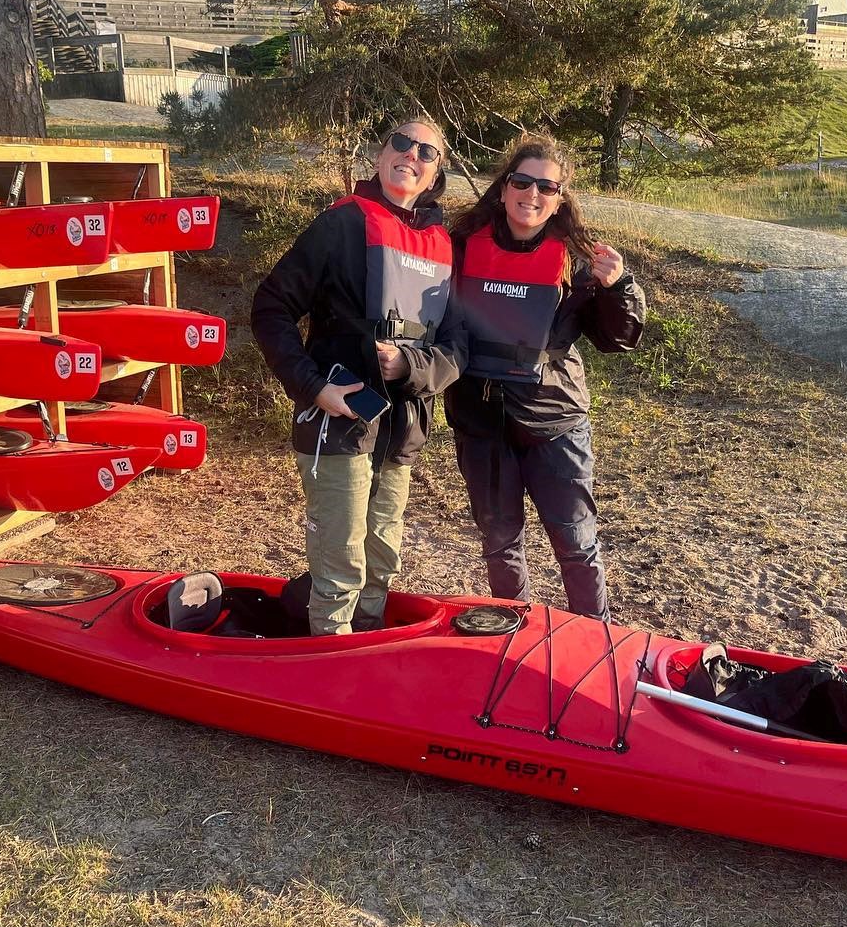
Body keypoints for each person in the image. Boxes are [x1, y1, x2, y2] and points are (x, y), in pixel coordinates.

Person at [252, 118, 466, 635]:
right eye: (402, 143)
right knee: (342, 559)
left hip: (402, 427)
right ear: (379, 154)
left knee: (380, 558)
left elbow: (456, 349)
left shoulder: (443, 244)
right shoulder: (340, 225)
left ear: (436, 174)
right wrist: (313, 387)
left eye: (427, 152)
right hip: (338, 420)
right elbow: (270, 307)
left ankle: (366, 647)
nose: (411, 155)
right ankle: (327, 659)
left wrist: (409, 366)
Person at [444, 135, 645, 620]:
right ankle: (513, 638)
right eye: (522, 181)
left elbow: (616, 338)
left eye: (546, 187)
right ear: (504, 186)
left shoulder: (577, 259)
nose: (531, 194)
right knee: (499, 541)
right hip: (481, 420)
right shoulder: (460, 245)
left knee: (575, 543)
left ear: (560, 197)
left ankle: (594, 639)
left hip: (555, 421)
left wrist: (619, 286)